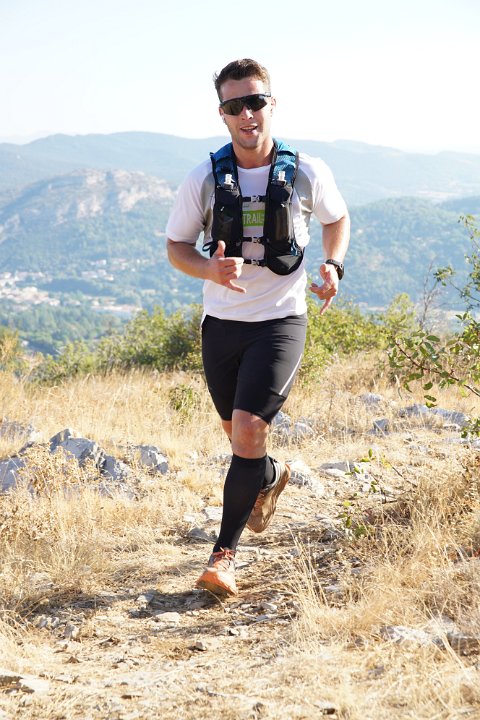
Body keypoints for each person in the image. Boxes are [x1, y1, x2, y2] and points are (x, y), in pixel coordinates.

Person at [166, 58, 350, 596]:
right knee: (240, 437)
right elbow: (176, 246)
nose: (247, 114)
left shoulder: (307, 171)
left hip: (280, 322)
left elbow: (337, 219)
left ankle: (222, 558)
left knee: (248, 429)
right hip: (221, 326)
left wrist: (333, 265)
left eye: (255, 102)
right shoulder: (204, 178)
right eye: (234, 105)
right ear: (222, 114)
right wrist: (209, 269)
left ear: (272, 104)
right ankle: (269, 476)